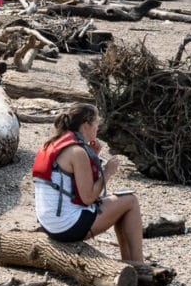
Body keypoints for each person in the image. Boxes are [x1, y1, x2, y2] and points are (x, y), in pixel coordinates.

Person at [32, 102, 144, 262]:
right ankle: (139, 264)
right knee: (130, 201)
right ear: (86, 126)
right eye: (96, 123)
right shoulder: (77, 152)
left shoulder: (51, 144)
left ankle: (131, 263)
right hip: (67, 226)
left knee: (121, 203)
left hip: (50, 224)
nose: (97, 128)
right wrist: (107, 172)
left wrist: (92, 155)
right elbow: (88, 198)